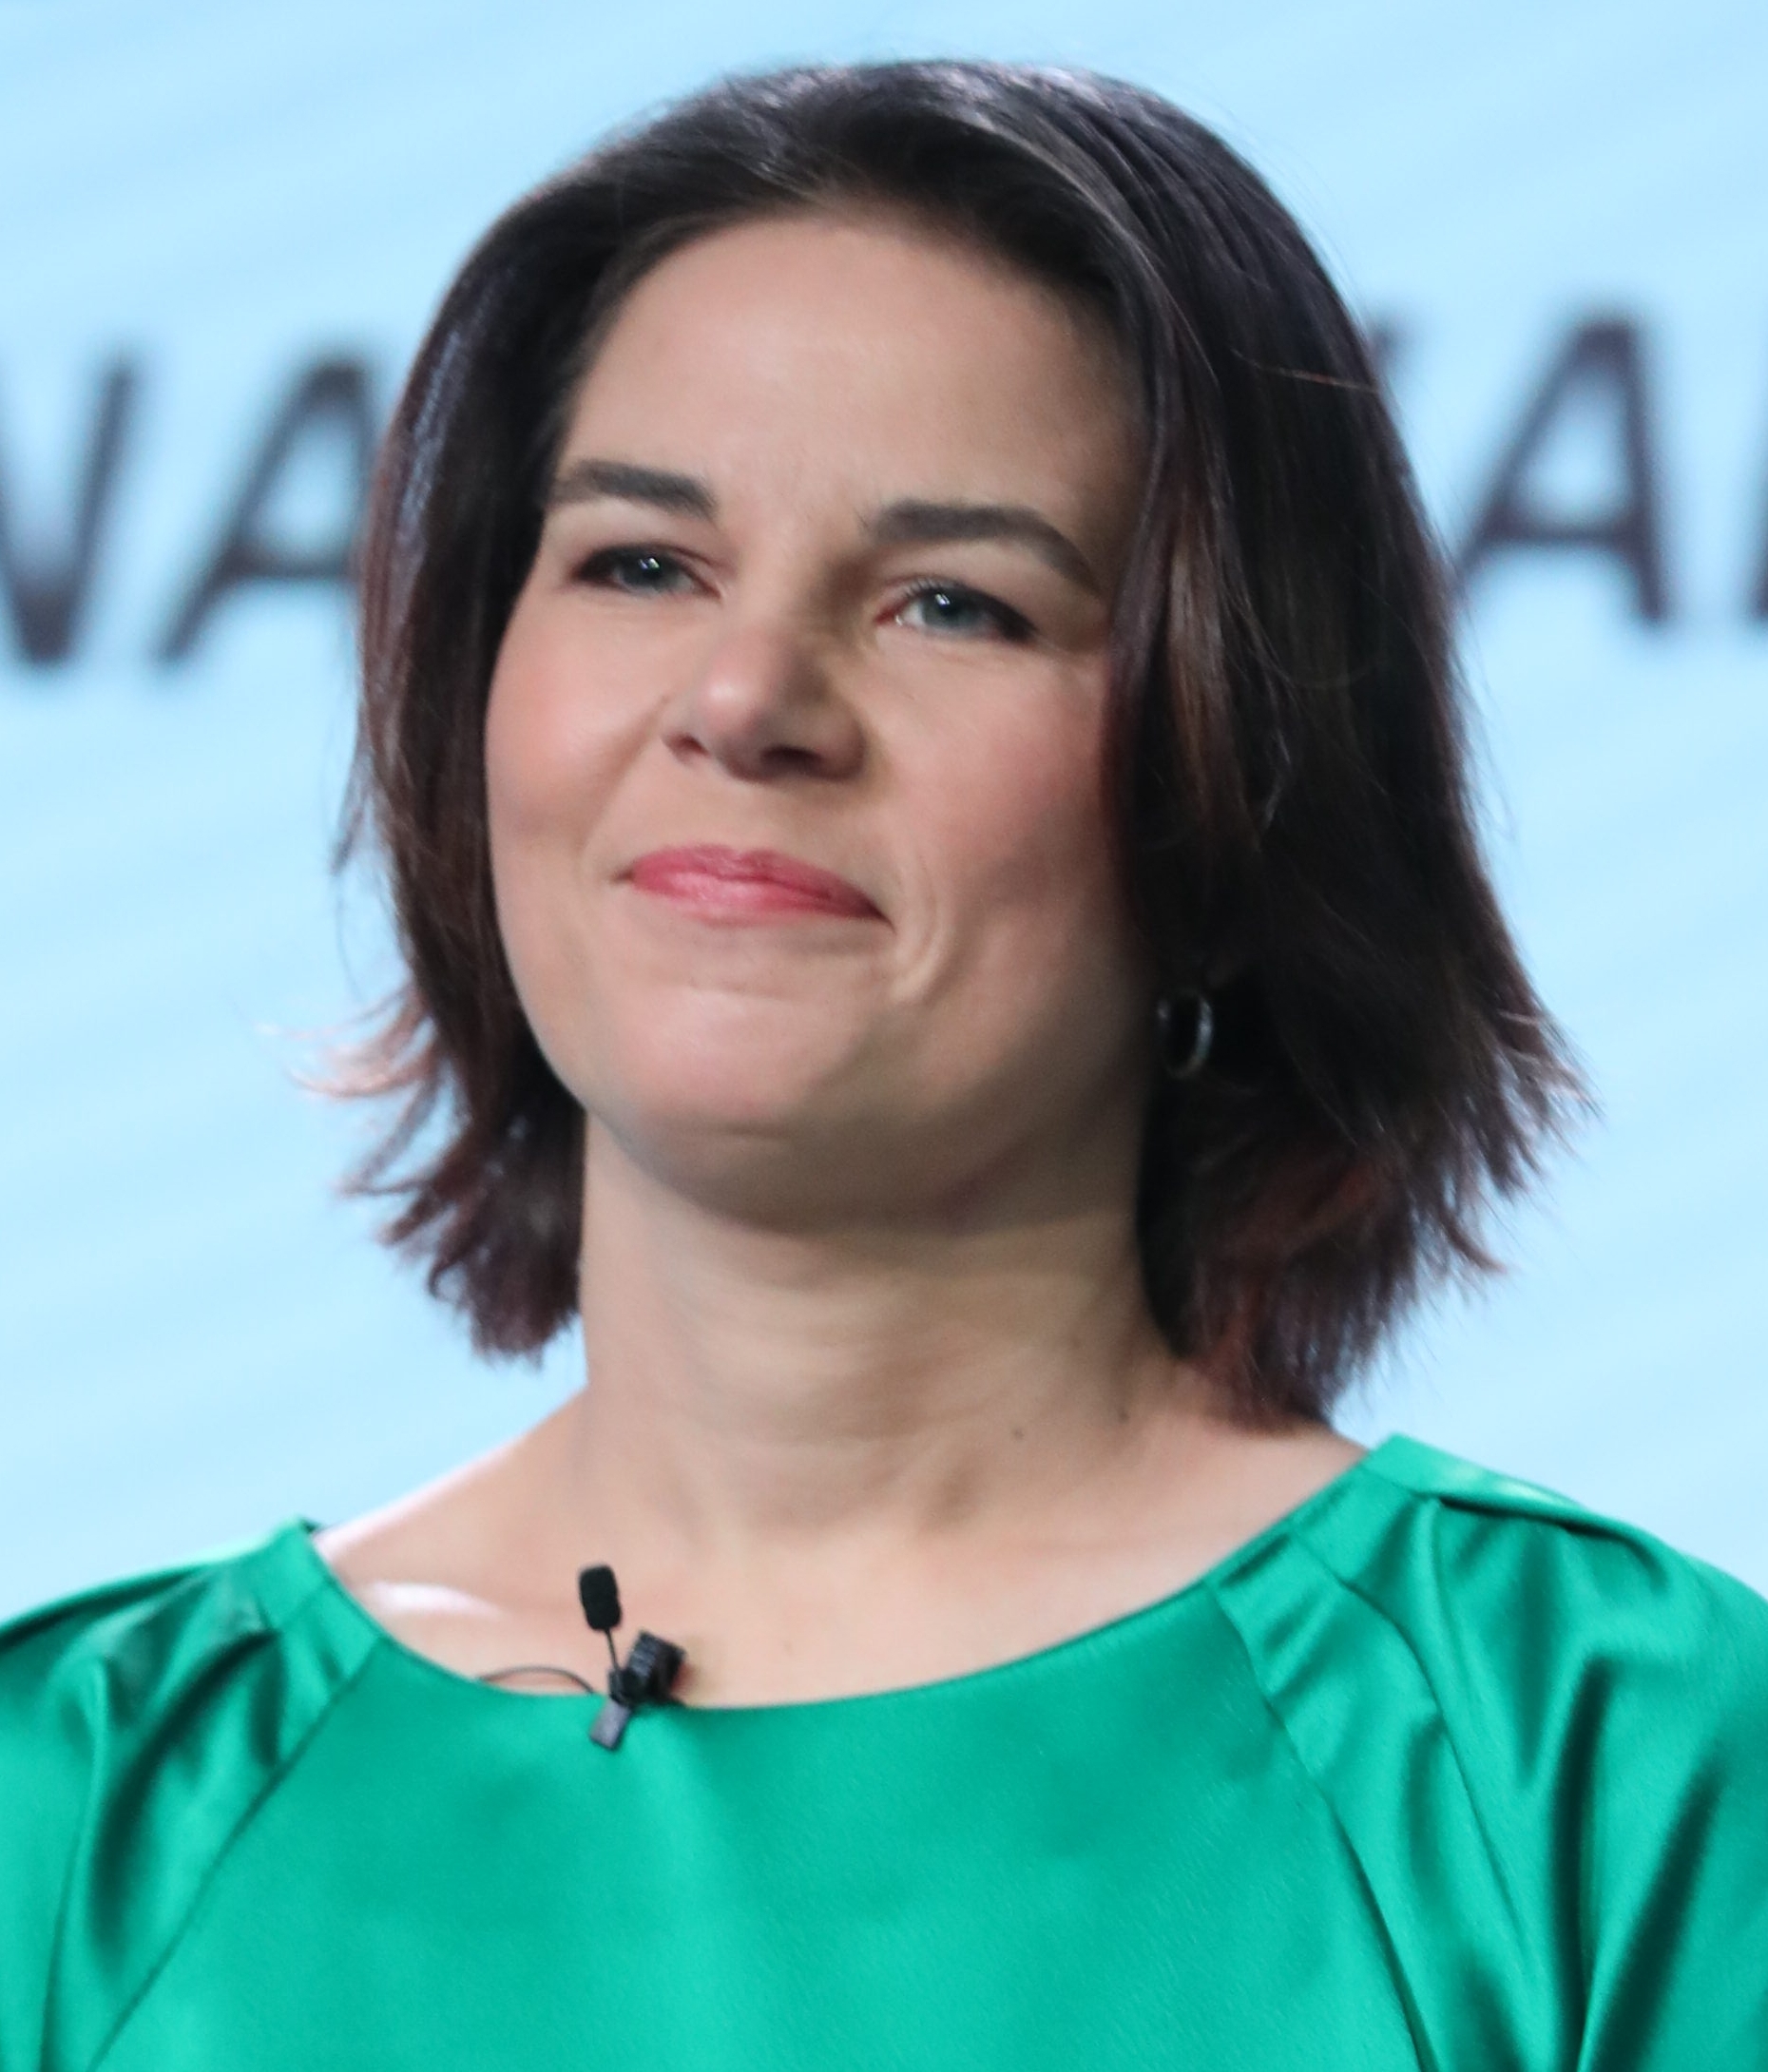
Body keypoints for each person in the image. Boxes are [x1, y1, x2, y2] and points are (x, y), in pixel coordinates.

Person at [3, 58, 1764, 2070]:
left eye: (954, 603)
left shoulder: (1595, 1765)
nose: (748, 698)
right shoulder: (77, 1811)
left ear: (1234, 793)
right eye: (642, 562)